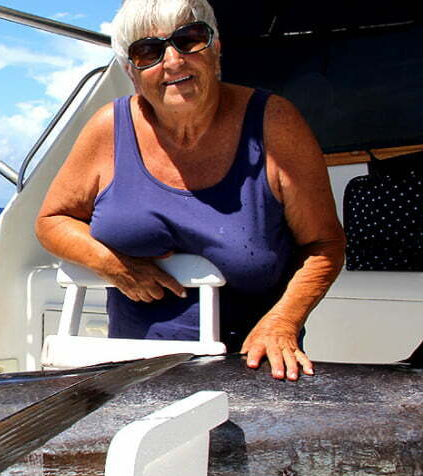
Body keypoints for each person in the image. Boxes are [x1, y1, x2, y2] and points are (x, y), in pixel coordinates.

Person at [36, 0, 345, 382]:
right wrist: (112, 264)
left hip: (252, 371)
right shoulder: (107, 128)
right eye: (147, 51)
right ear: (131, 71)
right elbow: (52, 220)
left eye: (189, 40)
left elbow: (324, 244)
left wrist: (281, 322)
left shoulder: (275, 123)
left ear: (216, 48)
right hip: (133, 374)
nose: (173, 61)